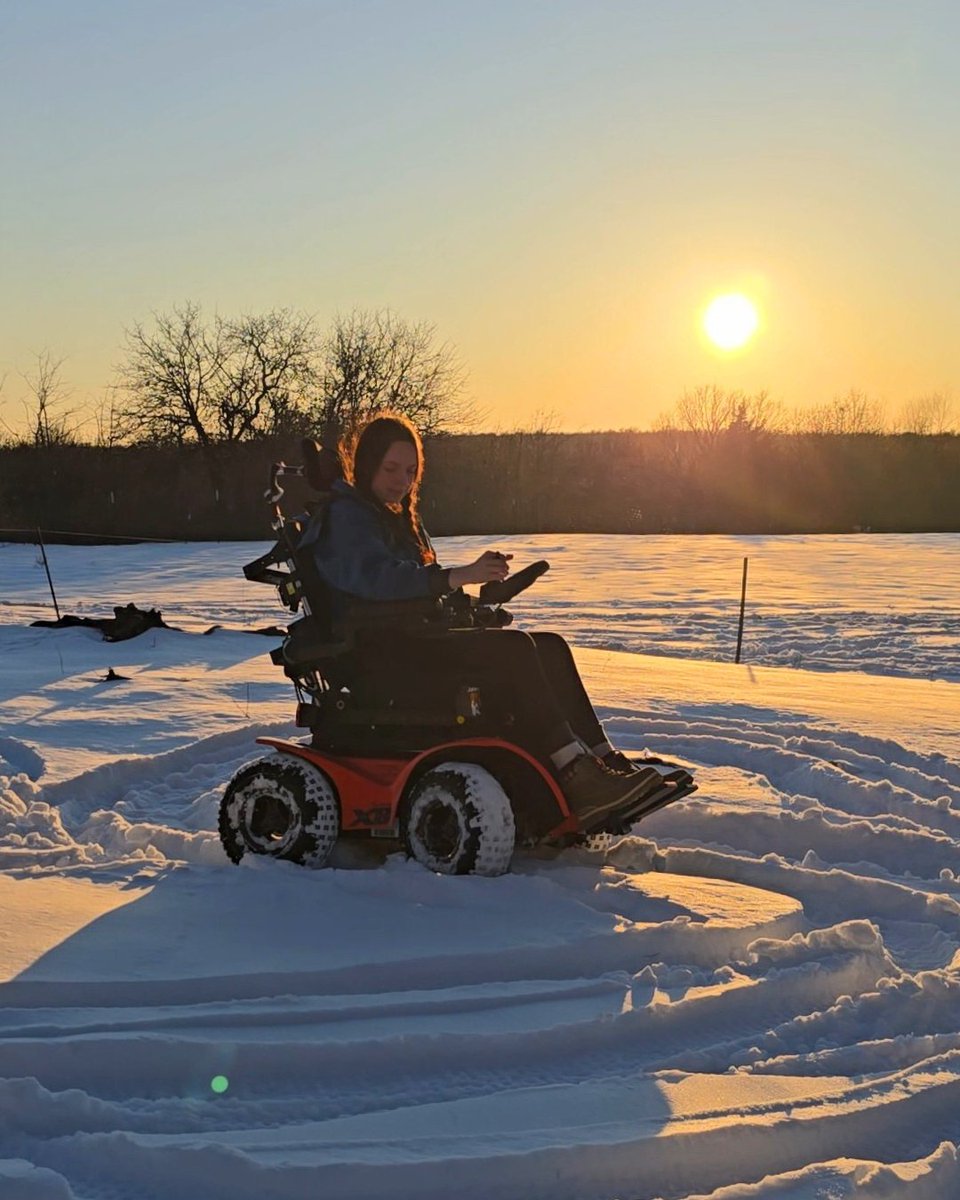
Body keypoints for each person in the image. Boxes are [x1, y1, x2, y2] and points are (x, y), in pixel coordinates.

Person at [299, 414, 665, 823]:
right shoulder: (348, 517)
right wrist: (456, 576)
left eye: (410, 471)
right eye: (390, 469)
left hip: (411, 639)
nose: (401, 480)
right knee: (514, 652)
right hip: (381, 654)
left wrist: (472, 600)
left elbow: (417, 590)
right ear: (366, 464)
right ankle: (572, 770)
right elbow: (377, 581)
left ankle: (600, 759)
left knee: (549, 646)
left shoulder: (392, 517)